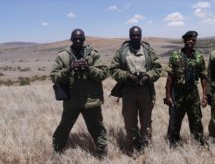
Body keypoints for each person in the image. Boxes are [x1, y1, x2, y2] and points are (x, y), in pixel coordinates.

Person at [50, 29, 108, 158]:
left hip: (91, 100)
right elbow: (54, 76)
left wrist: (89, 68)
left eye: (80, 39)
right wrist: (70, 68)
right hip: (71, 100)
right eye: (75, 38)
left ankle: (102, 152)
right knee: (64, 126)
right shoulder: (63, 56)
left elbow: (104, 73)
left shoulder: (93, 54)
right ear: (71, 39)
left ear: (84, 39)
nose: (77, 41)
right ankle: (57, 150)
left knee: (97, 127)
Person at [109, 26, 162, 151]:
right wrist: (126, 75)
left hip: (145, 90)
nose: (135, 37)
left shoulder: (148, 50)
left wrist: (148, 76)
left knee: (146, 121)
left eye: (138, 35)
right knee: (130, 121)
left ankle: (146, 145)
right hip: (128, 91)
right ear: (129, 36)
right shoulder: (122, 51)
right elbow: (113, 70)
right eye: (133, 35)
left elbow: (158, 68)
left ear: (141, 36)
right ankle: (133, 146)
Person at [164, 30, 208, 146]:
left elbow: (203, 77)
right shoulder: (175, 55)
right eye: (189, 39)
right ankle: (173, 144)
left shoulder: (199, 56)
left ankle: (198, 143)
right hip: (178, 93)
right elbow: (170, 77)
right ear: (184, 40)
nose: (191, 42)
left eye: (193, 40)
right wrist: (168, 95)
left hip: (193, 93)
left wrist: (204, 95)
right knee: (175, 120)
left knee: (196, 119)